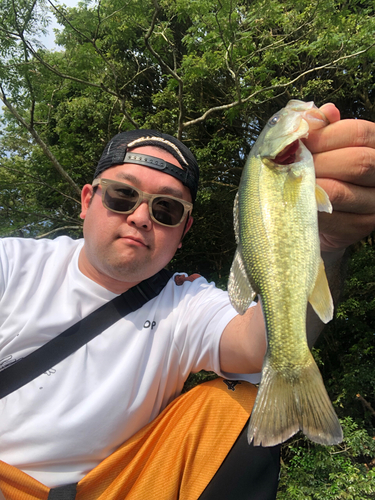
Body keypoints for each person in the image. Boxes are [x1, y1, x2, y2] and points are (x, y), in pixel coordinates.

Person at [0, 103, 374, 500]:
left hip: (119, 488)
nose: (141, 217)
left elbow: (256, 345)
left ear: (183, 230)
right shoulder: (13, 264)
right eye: (122, 195)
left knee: (235, 408)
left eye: (167, 208)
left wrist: (325, 248)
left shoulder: (184, 302)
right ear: (88, 200)